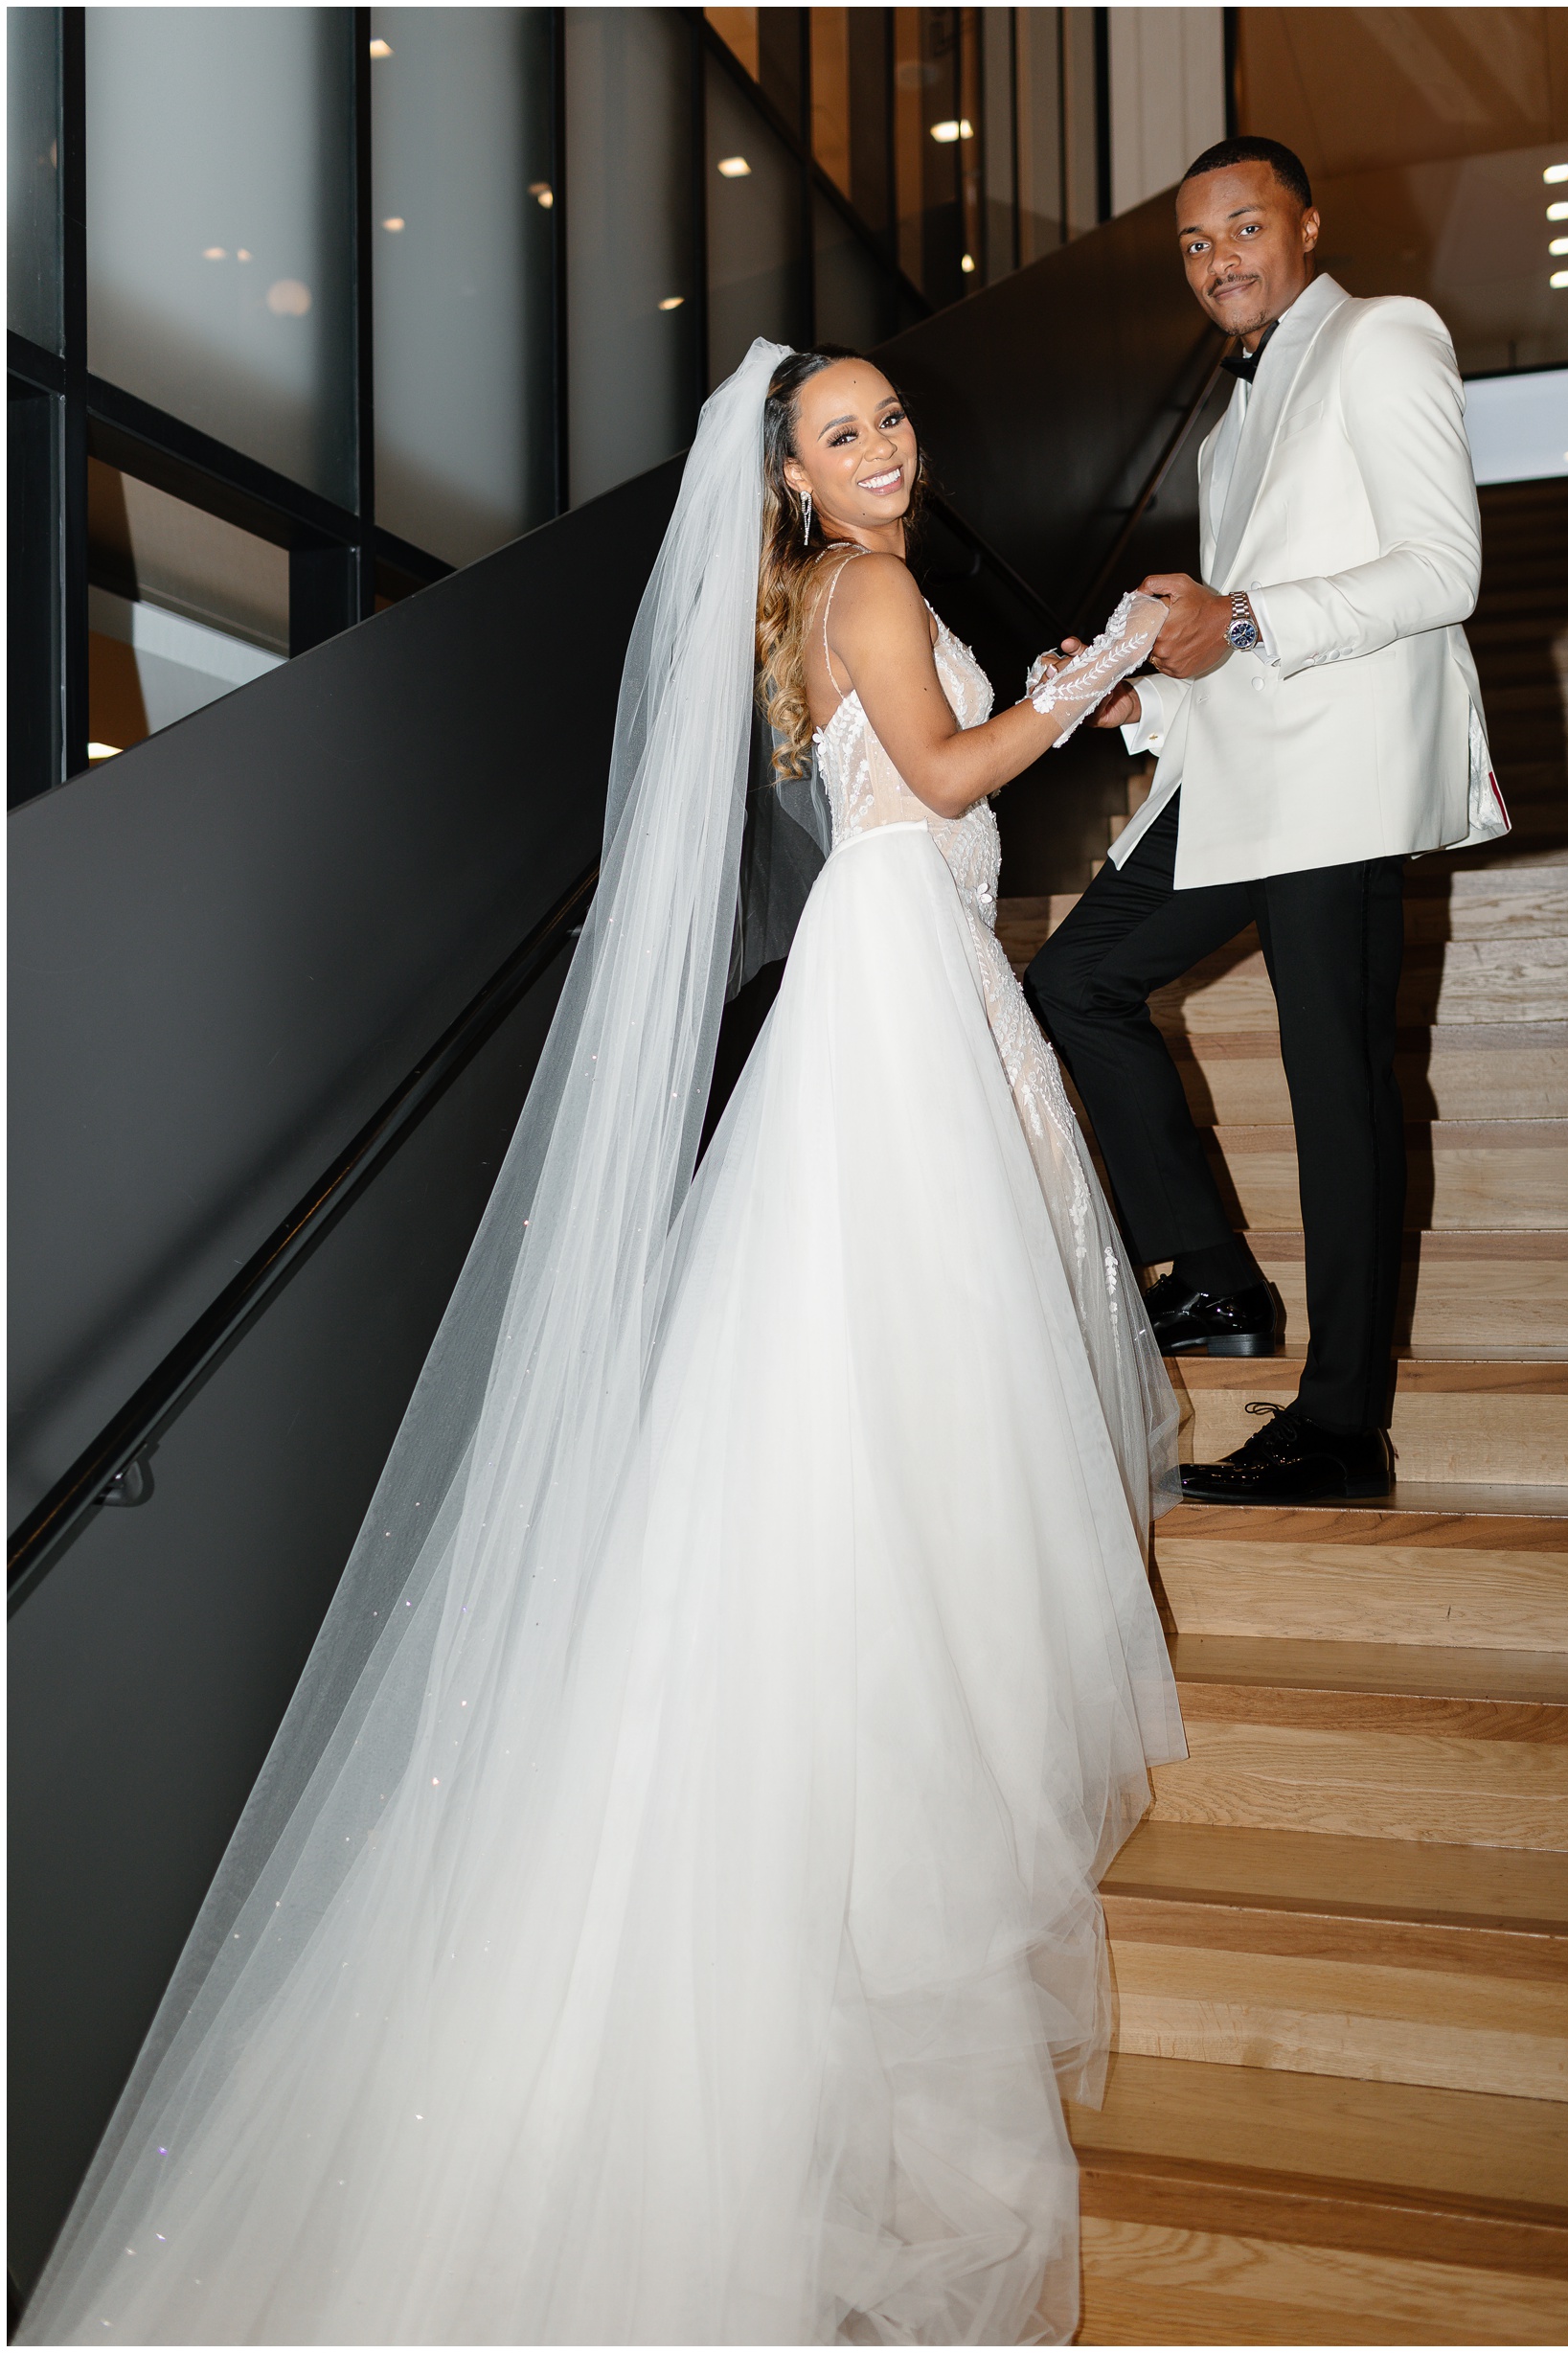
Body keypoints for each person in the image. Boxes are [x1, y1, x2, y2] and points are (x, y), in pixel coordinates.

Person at [19, 341, 1183, 2347]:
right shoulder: (878, 591)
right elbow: (956, 778)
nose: (887, 449)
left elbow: (912, 781)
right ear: (797, 481)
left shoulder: (830, 597)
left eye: (894, 418)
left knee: (859, 1401)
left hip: (887, 997)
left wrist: (1066, 670)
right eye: (845, 437)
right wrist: (1108, 665)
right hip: (898, 1006)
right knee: (907, 1391)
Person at [1024, 134, 1507, 1507]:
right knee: (1076, 978)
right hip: (1241, 777)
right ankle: (1220, 1277)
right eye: (1193, 244)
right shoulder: (1233, 422)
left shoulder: (1385, 336)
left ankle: (1343, 1427)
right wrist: (1141, 702)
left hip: (1342, 784)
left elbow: (1444, 567)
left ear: (1303, 224)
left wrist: (1233, 616)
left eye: (1241, 228)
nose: (1217, 260)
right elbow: (1236, 644)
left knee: (1334, 1083)